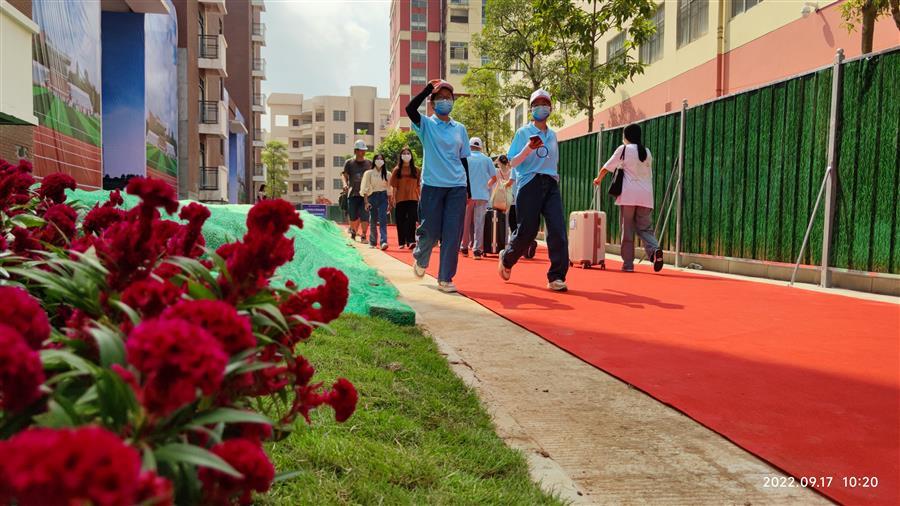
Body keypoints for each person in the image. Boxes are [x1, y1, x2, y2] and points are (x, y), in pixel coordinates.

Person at [498, 89, 569, 292]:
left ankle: (556, 276)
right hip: (529, 183)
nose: (541, 107)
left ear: (551, 108)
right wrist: (528, 148)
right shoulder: (523, 133)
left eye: (545, 103)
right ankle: (508, 257)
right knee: (527, 231)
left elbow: (552, 162)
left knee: (557, 229)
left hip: (551, 184)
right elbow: (512, 162)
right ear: (531, 109)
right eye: (537, 103)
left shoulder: (553, 135)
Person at [405, 79, 471, 293]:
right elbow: (409, 108)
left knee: (452, 234)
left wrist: (468, 188)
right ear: (432, 103)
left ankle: (445, 278)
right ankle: (421, 258)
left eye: (448, 98)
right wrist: (426, 90)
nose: (445, 101)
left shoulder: (460, 129)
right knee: (431, 232)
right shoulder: (426, 124)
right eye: (440, 98)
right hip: (433, 186)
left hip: (457, 187)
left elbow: (463, 160)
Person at [594, 123, 664, 273]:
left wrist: (598, 179)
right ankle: (655, 250)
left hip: (628, 196)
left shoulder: (623, 149)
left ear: (626, 136)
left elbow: (607, 167)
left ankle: (628, 265)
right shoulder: (647, 151)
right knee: (645, 228)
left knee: (627, 231)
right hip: (646, 196)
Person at [459, 137, 496, 259]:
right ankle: (477, 250)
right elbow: (494, 178)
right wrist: (487, 186)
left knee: (465, 221)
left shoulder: (465, 159)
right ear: (480, 147)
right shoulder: (487, 159)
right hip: (482, 195)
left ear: (469, 146)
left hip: (467, 194)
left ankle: (464, 247)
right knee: (479, 222)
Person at [390, 146, 421, 249]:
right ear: (401, 156)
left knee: (412, 220)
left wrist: (420, 197)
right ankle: (402, 242)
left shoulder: (416, 170)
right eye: (404, 153)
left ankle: (411, 240)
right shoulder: (397, 170)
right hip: (400, 199)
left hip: (413, 198)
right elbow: (394, 186)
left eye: (408, 153)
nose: (406, 155)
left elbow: (418, 185)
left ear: (411, 156)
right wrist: (393, 198)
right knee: (400, 220)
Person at [342, 140, 372, 243]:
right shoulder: (349, 163)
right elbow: (344, 175)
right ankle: (353, 232)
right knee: (353, 215)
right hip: (353, 193)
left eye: (364, 150)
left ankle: (363, 235)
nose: (363, 152)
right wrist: (345, 184)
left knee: (365, 215)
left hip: (365, 195)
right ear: (356, 151)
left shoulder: (369, 163)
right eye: (361, 150)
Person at [361, 153, 392, 250]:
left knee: (383, 219)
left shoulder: (388, 174)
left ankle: (384, 241)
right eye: (377, 159)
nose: (379, 161)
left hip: (383, 196)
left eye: (381, 159)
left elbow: (389, 189)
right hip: (372, 196)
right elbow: (365, 188)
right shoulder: (368, 173)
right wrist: (366, 202)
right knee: (373, 219)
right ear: (374, 161)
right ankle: (373, 242)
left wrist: (390, 202)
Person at [488, 154, 515, 233]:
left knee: (498, 218)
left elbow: (491, 182)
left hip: (498, 197)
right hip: (509, 197)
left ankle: (499, 238)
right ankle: (506, 240)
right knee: (507, 219)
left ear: (499, 162)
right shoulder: (511, 171)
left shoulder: (496, 171)